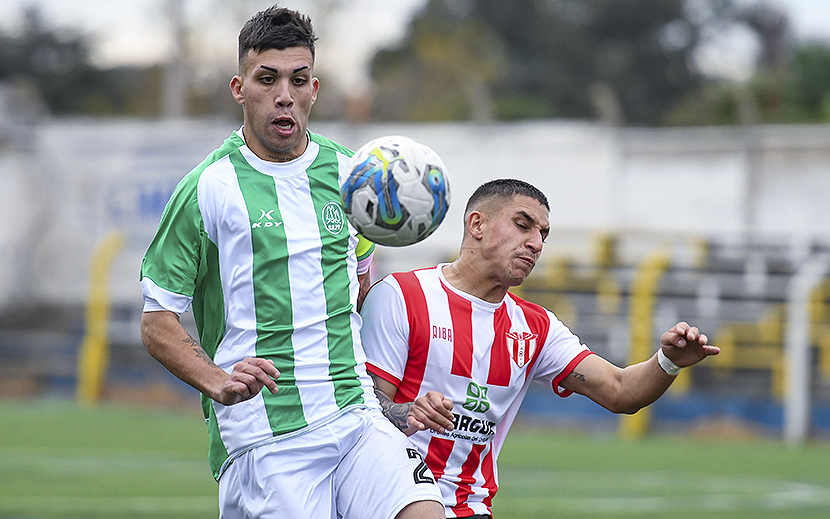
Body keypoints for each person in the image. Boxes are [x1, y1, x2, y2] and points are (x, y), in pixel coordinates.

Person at [139, 6, 444, 519]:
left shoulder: (351, 177)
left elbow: (360, 297)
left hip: (356, 417)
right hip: (267, 435)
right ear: (239, 88)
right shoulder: (208, 188)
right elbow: (156, 322)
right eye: (268, 79)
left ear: (314, 89)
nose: (285, 95)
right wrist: (216, 379)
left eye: (298, 80)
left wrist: (388, 402)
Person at [360, 178, 720, 518]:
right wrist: (408, 412)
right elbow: (365, 407)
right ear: (477, 224)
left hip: (470, 507)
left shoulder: (535, 328)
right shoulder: (400, 296)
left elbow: (621, 391)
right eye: (523, 225)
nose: (536, 243)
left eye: (543, 234)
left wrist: (668, 362)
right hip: (392, 500)